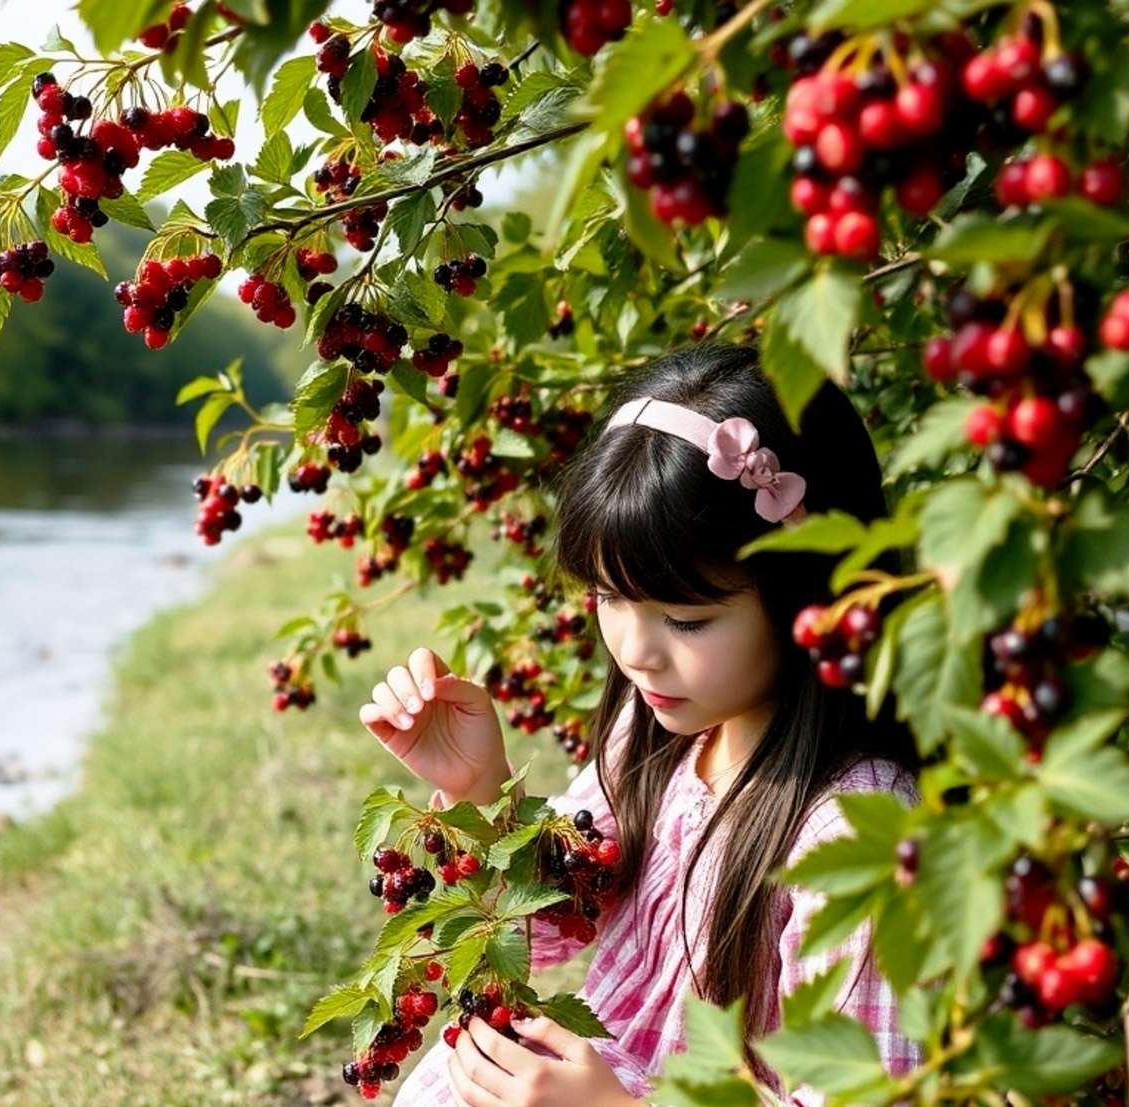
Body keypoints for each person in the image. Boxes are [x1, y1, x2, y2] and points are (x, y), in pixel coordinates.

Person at [358, 343, 922, 1106]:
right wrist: (477, 786)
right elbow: (554, 920)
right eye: (607, 596)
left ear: (811, 599)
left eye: (685, 620)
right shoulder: (656, 738)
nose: (634, 652)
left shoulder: (853, 831)